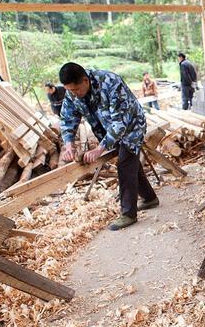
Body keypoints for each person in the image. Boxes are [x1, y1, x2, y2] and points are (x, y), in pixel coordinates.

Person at [58, 62, 159, 231]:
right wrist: (69, 144)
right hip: (106, 129)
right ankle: (149, 198)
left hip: (131, 125)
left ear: (85, 80)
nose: (73, 94)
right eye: (69, 91)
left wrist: (99, 149)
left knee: (125, 164)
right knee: (131, 162)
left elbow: (120, 124)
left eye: (75, 90)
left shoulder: (110, 82)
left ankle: (128, 214)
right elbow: (68, 118)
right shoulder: (72, 93)